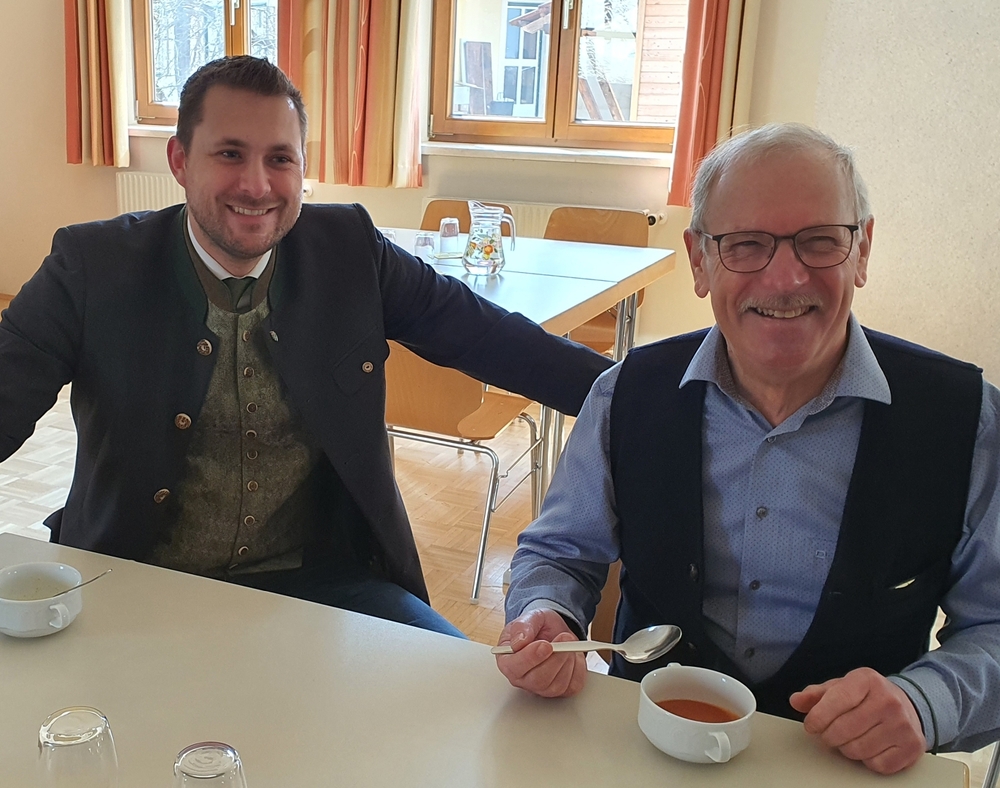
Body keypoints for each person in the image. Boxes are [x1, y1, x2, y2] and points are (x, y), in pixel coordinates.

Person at [0, 56, 612, 638]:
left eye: (280, 158)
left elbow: (488, 337)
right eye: (230, 154)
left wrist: (638, 392)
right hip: (136, 580)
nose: (257, 184)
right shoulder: (92, 266)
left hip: (325, 584)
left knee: (460, 690)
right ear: (180, 161)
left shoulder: (349, 251)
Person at [496, 123, 1000, 775]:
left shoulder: (966, 420)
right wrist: (545, 612)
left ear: (862, 250)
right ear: (700, 260)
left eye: (820, 240)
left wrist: (924, 703)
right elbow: (560, 551)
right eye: (745, 245)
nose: (785, 278)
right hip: (644, 752)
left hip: (846, 769)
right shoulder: (626, 394)